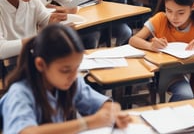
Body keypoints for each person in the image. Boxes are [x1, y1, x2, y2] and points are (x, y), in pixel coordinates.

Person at [0, 24, 132, 133]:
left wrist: (112, 115)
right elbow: (27, 132)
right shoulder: (20, 93)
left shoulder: (71, 82)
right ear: (41, 64)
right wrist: (86, 123)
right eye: (65, 70)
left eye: (77, 68)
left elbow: (107, 105)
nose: (73, 75)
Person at [38, 0, 103, 49]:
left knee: (91, 32)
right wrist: (54, 9)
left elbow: (70, 2)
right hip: (37, 29)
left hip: (52, 23)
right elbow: (36, 10)